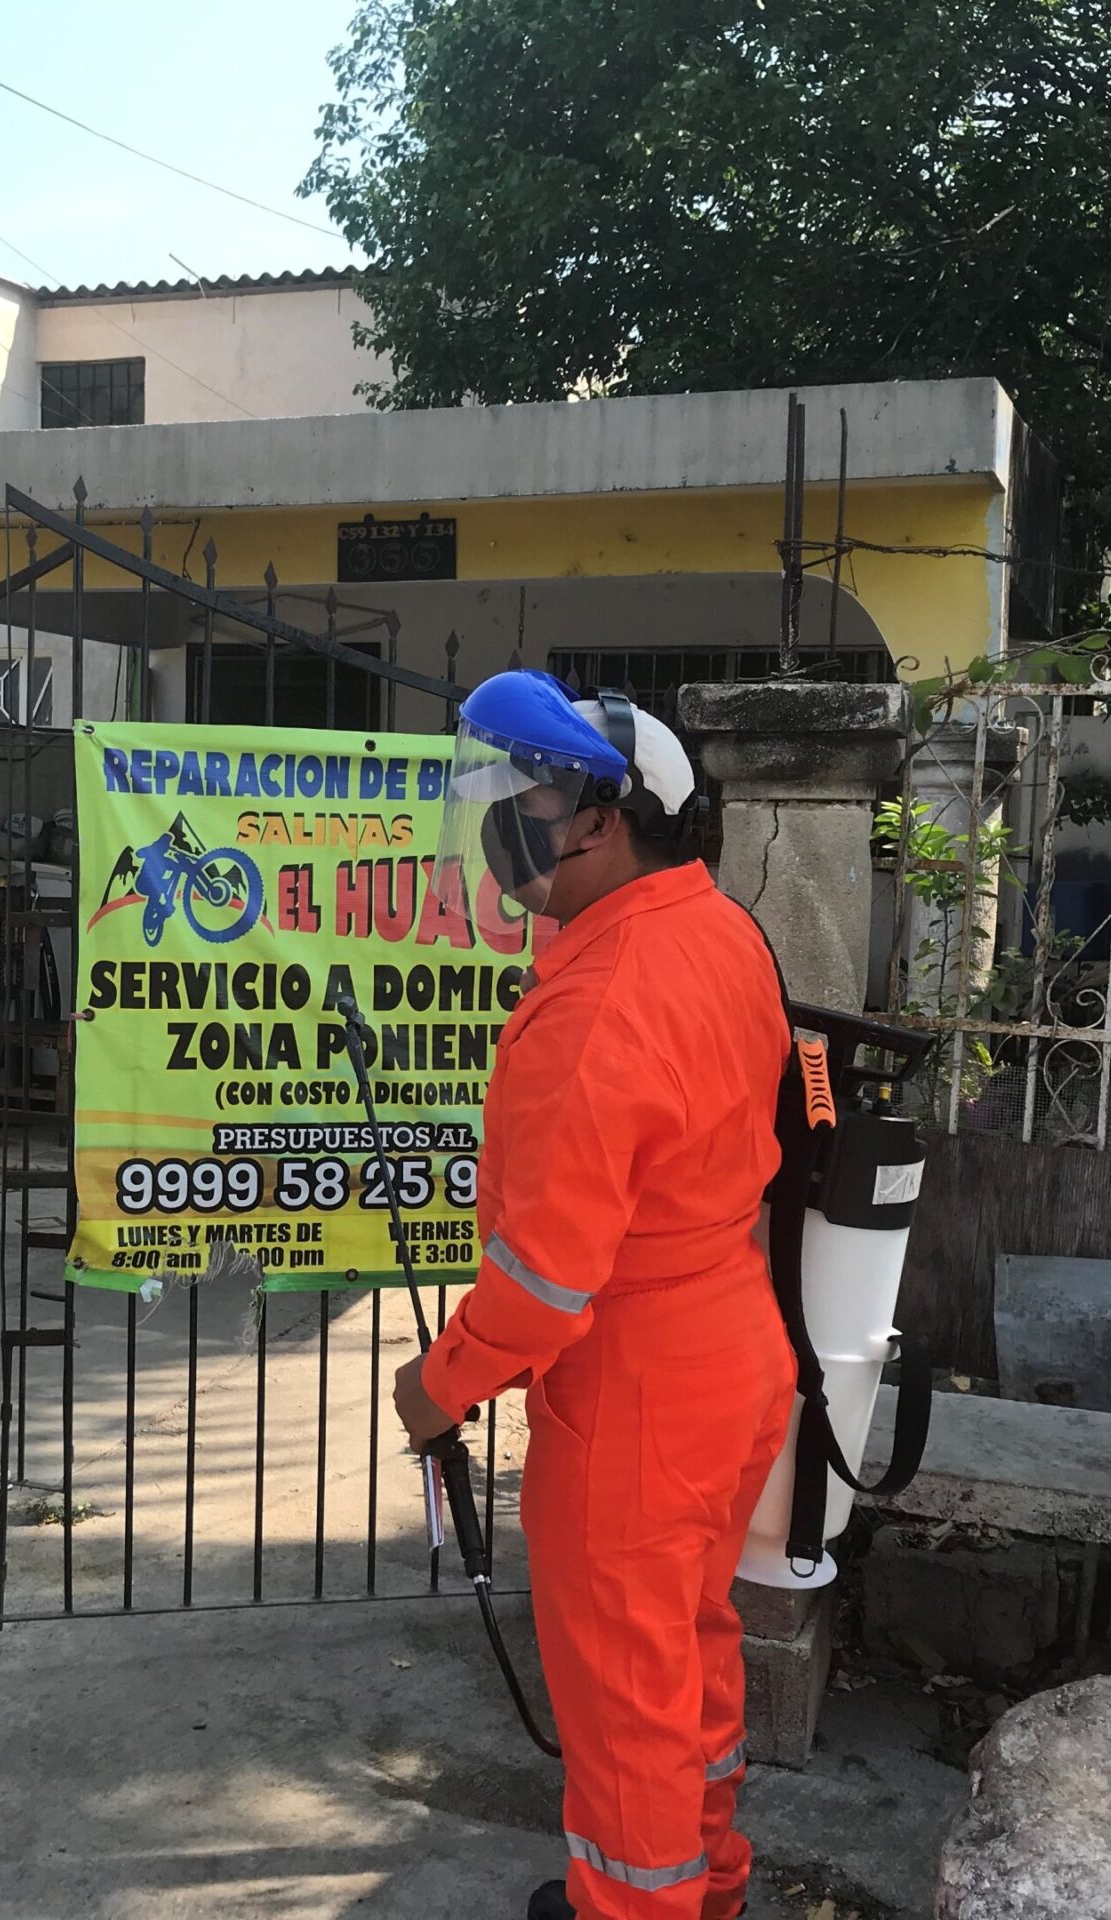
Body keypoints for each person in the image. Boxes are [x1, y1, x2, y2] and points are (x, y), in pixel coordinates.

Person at [393, 672, 795, 1920]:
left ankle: (640, 1904)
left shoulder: (602, 993)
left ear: (601, 821)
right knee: (686, 1653)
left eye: (526, 795)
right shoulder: (719, 933)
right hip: (728, 1357)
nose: (502, 821)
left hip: (634, 1392)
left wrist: (438, 1381)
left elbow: (546, 1273)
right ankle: (706, 1882)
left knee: (623, 1704)